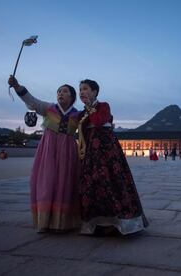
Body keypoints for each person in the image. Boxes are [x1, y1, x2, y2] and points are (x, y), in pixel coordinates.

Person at [8, 76, 80, 233]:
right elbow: (32, 101)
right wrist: (17, 86)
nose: (60, 93)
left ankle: (61, 222)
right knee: (47, 179)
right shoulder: (48, 108)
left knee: (64, 182)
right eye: (59, 91)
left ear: (72, 97)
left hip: (67, 150)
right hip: (48, 148)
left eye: (65, 91)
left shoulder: (78, 115)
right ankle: (44, 221)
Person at [78, 79, 148, 235]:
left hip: (107, 152)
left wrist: (89, 106)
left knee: (111, 181)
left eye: (85, 88)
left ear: (95, 92)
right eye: (80, 89)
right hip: (91, 153)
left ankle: (119, 221)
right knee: (93, 183)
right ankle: (98, 223)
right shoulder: (82, 113)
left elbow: (97, 121)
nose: (82, 92)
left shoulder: (103, 106)